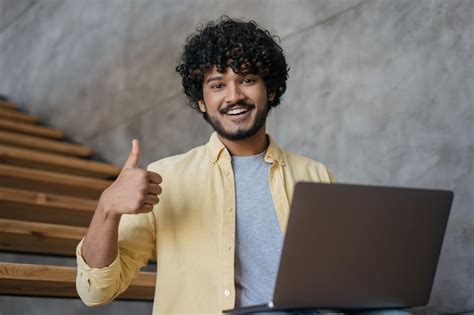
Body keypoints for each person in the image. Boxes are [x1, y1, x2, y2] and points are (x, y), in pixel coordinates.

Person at [76, 16, 336, 314]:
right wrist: (107, 208)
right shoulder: (166, 178)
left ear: (271, 90)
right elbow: (95, 291)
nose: (234, 95)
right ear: (201, 100)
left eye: (248, 80)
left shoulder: (316, 175)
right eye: (217, 85)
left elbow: (338, 277)